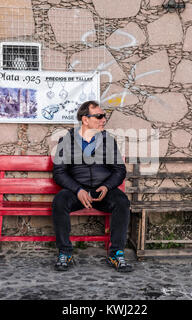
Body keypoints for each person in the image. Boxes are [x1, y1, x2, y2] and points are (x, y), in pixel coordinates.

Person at [52, 100, 133, 272]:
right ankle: (65, 252)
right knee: (59, 201)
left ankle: (116, 253)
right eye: (99, 116)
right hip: (77, 191)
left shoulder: (108, 141)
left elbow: (119, 170)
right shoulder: (66, 141)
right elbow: (59, 172)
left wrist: (107, 186)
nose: (104, 119)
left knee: (122, 202)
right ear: (85, 120)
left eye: (104, 116)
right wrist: (77, 190)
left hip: (102, 191)